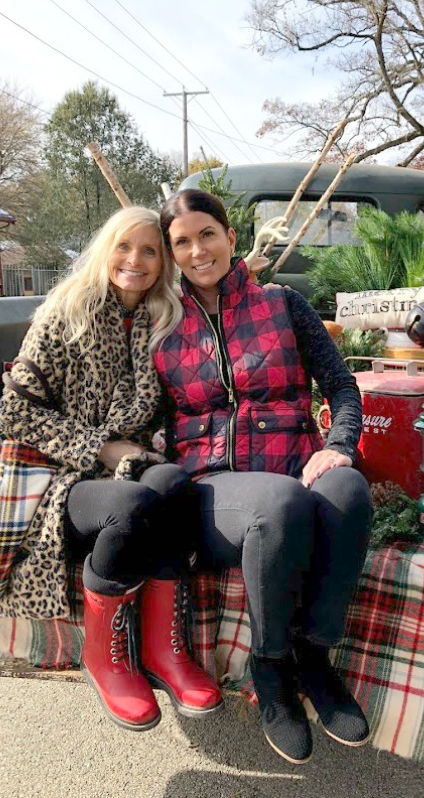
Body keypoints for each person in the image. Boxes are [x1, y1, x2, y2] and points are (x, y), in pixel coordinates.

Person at [154, 189, 373, 765]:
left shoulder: (282, 303)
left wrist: (339, 446)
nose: (198, 251)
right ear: (171, 253)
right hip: (213, 487)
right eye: (182, 242)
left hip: (294, 463)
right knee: (277, 504)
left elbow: (342, 386)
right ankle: (270, 665)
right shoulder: (161, 325)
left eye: (207, 234)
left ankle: (314, 656)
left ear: (230, 236)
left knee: (347, 490)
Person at [0, 206, 222, 731]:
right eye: (125, 246)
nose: (135, 260)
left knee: (172, 484)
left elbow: (173, 408)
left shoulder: (166, 319)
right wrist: (100, 449)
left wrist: (151, 447)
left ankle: (163, 653)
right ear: (106, 250)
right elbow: (12, 408)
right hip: (64, 477)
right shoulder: (66, 314)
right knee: (135, 503)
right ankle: (103, 657)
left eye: (149, 250)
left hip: (139, 464)